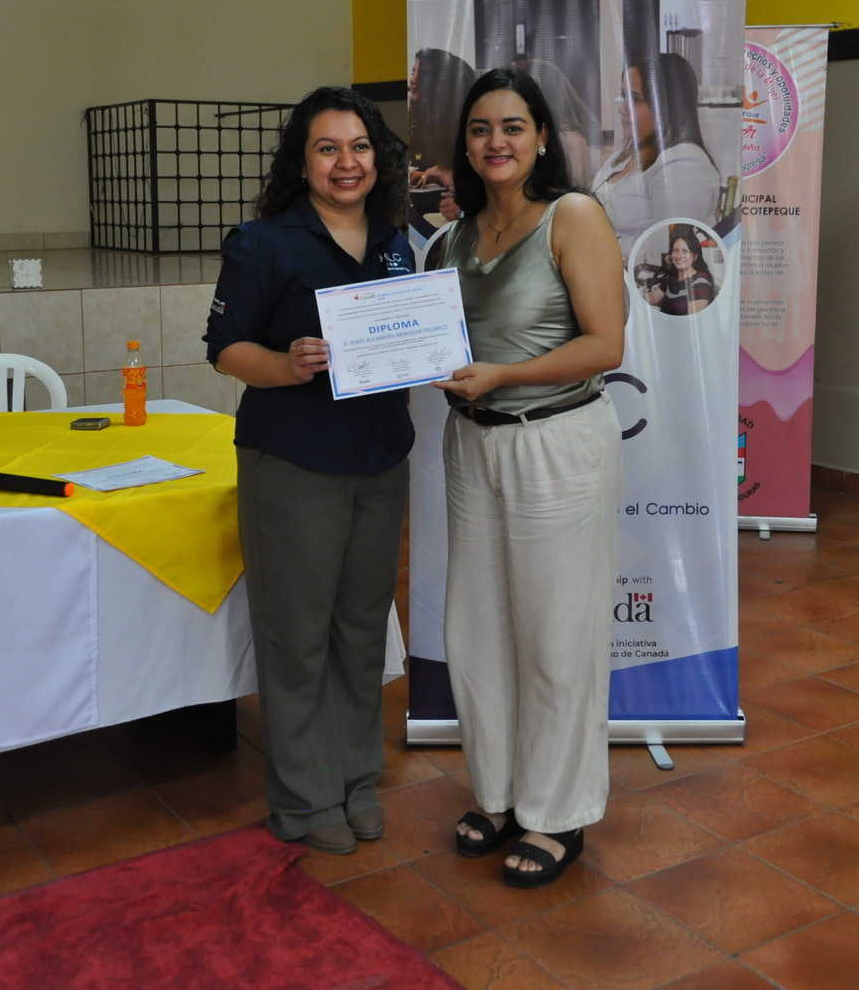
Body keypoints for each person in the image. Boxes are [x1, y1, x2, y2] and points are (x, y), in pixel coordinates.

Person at [204, 86, 414, 855]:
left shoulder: (396, 241)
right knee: (296, 634)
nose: (345, 162)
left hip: (380, 457)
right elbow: (225, 348)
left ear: (376, 157)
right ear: (302, 162)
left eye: (359, 146)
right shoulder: (262, 242)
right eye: (327, 148)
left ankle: (356, 778)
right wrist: (286, 364)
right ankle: (303, 795)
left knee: (361, 628)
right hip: (293, 461)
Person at [430, 68, 625, 888]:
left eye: (513, 126)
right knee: (477, 632)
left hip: (558, 441)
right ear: (465, 143)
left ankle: (558, 811)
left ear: (542, 136)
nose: (496, 141)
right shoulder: (452, 238)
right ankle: (502, 793)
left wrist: (504, 376)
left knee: (556, 634)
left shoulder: (572, 216)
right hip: (473, 444)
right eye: (480, 128)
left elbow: (606, 345)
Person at [592, 51, 723, 249]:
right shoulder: (622, 157)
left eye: (635, 99)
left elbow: (669, 247)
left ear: (666, 105)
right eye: (623, 96)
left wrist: (599, 243)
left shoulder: (684, 162)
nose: (622, 108)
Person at [407, 47, 477, 222]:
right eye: (413, 72)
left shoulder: (464, 123)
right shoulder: (427, 117)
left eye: (420, 73)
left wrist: (463, 208)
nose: (412, 80)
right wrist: (436, 172)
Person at [640, 223, 718, 315]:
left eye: (685, 251)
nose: (679, 256)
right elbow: (653, 297)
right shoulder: (672, 278)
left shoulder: (700, 282)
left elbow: (692, 319)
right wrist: (641, 294)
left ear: (695, 256)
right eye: (675, 251)